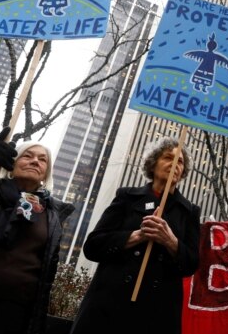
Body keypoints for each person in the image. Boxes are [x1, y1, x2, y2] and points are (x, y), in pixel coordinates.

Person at [70, 138, 200, 334]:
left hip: (158, 310)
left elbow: (191, 263)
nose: (175, 164)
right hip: (110, 302)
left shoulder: (190, 211)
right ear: (153, 163)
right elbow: (93, 246)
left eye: (180, 161)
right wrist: (137, 236)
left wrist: (170, 241)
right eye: (168, 157)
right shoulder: (127, 197)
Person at [0, 127, 75, 334]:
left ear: (46, 172)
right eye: (27, 156)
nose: (35, 161)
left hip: (17, 309)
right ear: (11, 164)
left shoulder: (52, 213)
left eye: (42, 159)